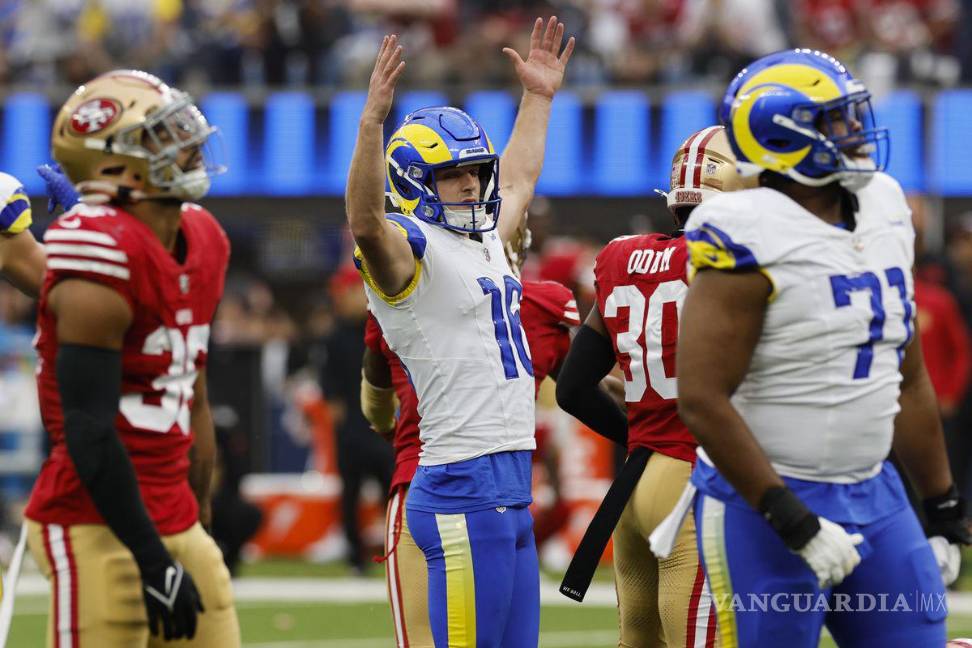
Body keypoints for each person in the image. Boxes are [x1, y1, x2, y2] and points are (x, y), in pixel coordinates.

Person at [676, 49, 970, 647]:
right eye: (836, 119)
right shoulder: (743, 228)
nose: (856, 131)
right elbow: (702, 397)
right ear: (782, 136)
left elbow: (906, 373)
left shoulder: (884, 204)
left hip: (874, 490)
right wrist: (789, 516)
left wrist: (941, 505)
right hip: (762, 504)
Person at [345, 17, 573, 647]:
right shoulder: (410, 249)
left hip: (509, 481)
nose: (471, 182)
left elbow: (519, 179)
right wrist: (371, 125)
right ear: (414, 181)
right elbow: (366, 223)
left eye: (474, 170)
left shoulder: (484, 239)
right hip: (460, 484)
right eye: (452, 174)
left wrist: (538, 98)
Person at [24, 69, 240, 647]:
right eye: (163, 134)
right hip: (93, 519)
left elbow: (192, 391)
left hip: (174, 511)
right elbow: (89, 428)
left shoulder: (205, 237)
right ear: (113, 164)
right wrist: (151, 557)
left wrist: (198, 515)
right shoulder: (96, 249)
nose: (190, 143)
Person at [555, 126, 748, 646]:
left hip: (635, 481)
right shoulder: (736, 264)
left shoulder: (621, 258)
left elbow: (572, 389)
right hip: (695, 483)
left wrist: (644, 435)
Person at [360, 218, 579, 648]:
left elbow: (374, 403)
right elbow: (583, 390)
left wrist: (390, 430)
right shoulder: (539, 305)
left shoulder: (412, 286)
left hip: (430, 477)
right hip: (498, 486)